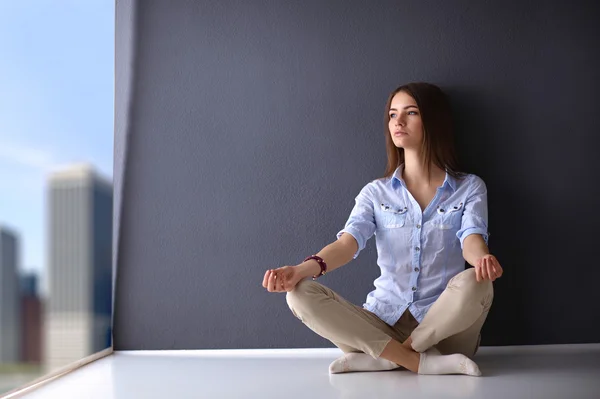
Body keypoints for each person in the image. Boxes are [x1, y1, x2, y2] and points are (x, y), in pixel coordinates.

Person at [261, 82, 503, 376]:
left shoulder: (469, 187)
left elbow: (472, 239)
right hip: (381, 323)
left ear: (434, 120)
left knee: (477, 282)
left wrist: (482, 260)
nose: (398, 122)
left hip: (444, 329)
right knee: (298, 294)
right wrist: (299, 270)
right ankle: (416, 361)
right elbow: (346, 245)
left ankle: (387, 358)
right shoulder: (375, 193)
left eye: (410, 113)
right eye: (392, 114)